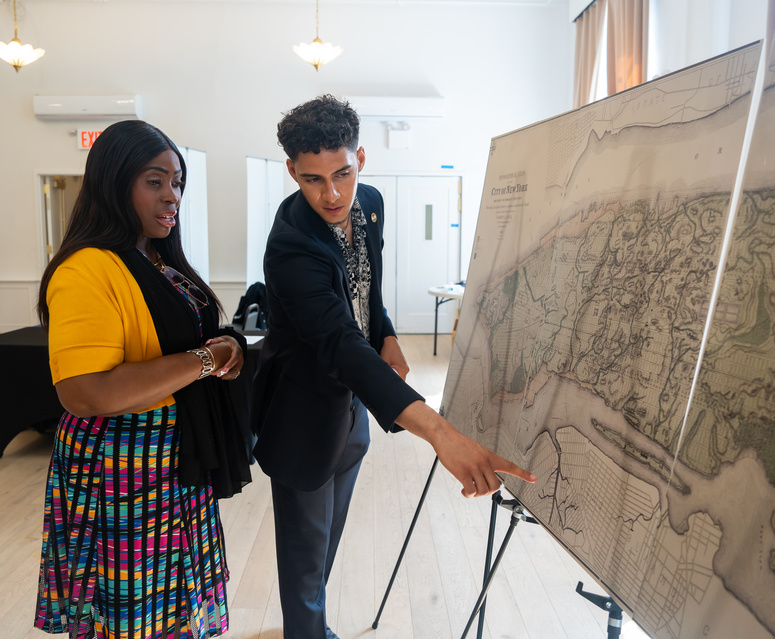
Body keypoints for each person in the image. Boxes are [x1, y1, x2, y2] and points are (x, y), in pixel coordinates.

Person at [250, 95, 537, 639]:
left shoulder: (370, 203)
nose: (332, 194)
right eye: (313, 180)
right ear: (291, 171)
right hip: (302, 417)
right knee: (304, 561)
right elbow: (339, 343)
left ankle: (313, 628)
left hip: (351, 411)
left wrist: (386, 334)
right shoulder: (290, 249)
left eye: (343, 173)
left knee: (325, 547)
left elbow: (364, 289)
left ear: (360, 158)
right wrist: (440, 432)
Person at [34, 120, 251, 639]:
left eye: (177, 182)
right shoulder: (85, 269)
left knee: (170, 611)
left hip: (174, 458)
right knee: (132, 615)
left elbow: (183, 341)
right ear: (114, 181)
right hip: (122, 467)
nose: (171, 196)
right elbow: (86, 392)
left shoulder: (154, 259)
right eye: (155, 181)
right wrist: (207, 359)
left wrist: (226, 347)